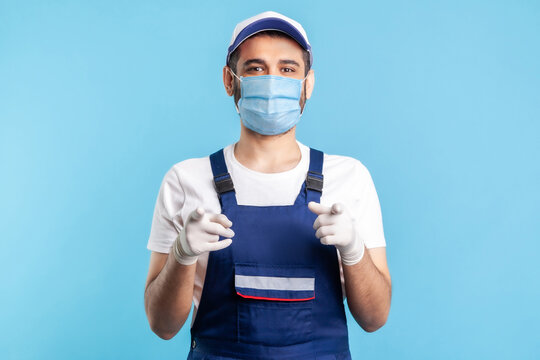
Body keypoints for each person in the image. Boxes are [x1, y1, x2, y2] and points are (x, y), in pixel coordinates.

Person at [144, 11, 392, 360]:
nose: (273, 81)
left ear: (308, 83)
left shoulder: (349, 178)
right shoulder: (185, 180)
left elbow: (375, 318)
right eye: (255, 68)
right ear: (230, 81)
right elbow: (162, 325)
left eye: (288, 69)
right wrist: (182, 255)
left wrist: (353, 250)